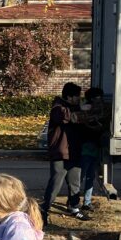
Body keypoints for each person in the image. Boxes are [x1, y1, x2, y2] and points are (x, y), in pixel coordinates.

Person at [41, 82, 85, 225]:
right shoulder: (57, 107)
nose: (79, 98)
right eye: (77, 96)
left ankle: (74, 206)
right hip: (60, 153)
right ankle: (44, 209)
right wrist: (81, 110)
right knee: (55, 183)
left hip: (74, 152)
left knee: (75, 183)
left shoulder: (75, 107)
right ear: (69, 97)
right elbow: (64, 116)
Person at [79, 87, 109, 212]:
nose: (100, 99)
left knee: (85, 175)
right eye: (98, 97)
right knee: (86, 175)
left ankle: (81, 201)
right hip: (89, 145)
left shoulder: (86, 108)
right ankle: (84, 201)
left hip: (88, 145)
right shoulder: (94, 109)